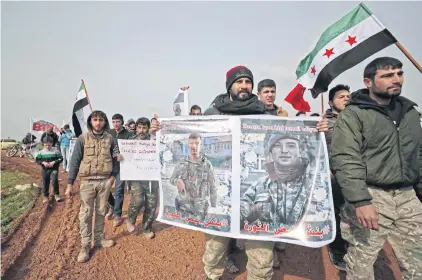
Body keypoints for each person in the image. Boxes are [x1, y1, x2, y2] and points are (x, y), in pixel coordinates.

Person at [203, 65, 329, 280]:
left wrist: (316, 129)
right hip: (222, 195)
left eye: (248, 82)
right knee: (214, 250)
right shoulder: (213, 112)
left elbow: (288, 139)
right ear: (229, 86)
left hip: (258, 195)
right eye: (239, 81)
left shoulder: (265, 112)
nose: (244, 86)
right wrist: (161, 131)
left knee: (262, 258)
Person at [331, 57, 422, 279]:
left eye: (399, 74)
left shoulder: (409, 113)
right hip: (371, 195)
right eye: (387, 75)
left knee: (417, 260)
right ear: (368, 82)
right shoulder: (354, 114)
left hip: (408, 196)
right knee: (361, 263)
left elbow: (417, 155)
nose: (396, 79)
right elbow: (345, 158)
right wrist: (360, 201)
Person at [65, 110, 119, 263]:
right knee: (86, 213)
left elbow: (116, 160)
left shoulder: (111, 139)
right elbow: (74, 162)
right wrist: (69, 185)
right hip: (87, 182)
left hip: (104, 181)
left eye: (101, 120)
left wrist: (112, 178)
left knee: (101, 211)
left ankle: (99, 239)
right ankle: (85, 246)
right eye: (95, 119)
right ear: (90, 121)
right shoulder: (82, 139)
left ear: (104, 122)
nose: (98, 122)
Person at [322, 84, 351, 271]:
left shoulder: (358, 118)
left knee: (354, 215)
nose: (346, 99)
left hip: (357, 177)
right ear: (331, 101)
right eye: (341, 96)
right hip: (334, 176)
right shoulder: (324, 122)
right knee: (337, 214)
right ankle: (337, 249)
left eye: (348, 96)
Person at [125, 117, 159, 239]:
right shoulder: (130, 141)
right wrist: (120, 157)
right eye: (139, 127)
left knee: (151, 204)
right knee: (138, 200)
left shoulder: (156, 140)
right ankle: (130, 219)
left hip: (152, 178)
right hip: (136, 177)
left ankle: (146, 228)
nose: (141, 130)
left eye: (144, 128)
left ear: (148, 128)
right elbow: (125, 156)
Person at [170, 133, 216, 219]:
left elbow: (213, 187)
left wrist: (213, 207)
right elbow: (171, 179)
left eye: (197, 143)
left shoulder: (207, 164)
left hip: (201, 206)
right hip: (185, 203)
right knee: (184, 227)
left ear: (201, 145)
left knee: (198, 227)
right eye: (191, 143)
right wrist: (177, 181)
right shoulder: (181, 163)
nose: (194, 146)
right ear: (188, 145)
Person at [108, 113, 134, 227]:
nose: (115, 124)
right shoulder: (109, 133)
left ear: (122, 122)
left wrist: (125, 155)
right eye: (113, 122)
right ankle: (113, 205)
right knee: (105, 188)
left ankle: (117, 215)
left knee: (118, 189)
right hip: (109, 165)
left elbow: (133, 150)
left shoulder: (129, 134)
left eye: (117, 121)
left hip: (122, 166)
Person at [36, 136, 63, 203]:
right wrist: (43, 162)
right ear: (43, 144)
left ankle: (56, 195)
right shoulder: (41, 152)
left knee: (54, 180)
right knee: (45, 182)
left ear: (52, 143)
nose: (48, 146)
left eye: (49, 145)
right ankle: (45, 196)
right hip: (45, 169)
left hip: (54, 169)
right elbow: (37, 160)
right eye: (46, 145)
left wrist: (54, 162)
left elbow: (61, 158)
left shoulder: (56, 151)